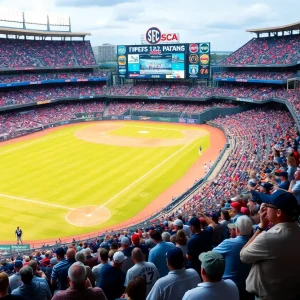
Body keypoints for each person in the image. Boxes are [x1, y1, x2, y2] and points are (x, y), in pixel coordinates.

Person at [240, 190, 300, 300]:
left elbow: (243, 256)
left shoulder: (268, 238)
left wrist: (262, 226)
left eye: (268, 205)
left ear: (278, 213)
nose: (264, 208)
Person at [214, 216, 253, 300]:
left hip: (230, 289)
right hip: (248, 288)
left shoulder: (229, 243)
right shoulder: (254, 243)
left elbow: (209, 256)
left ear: (237, 230)